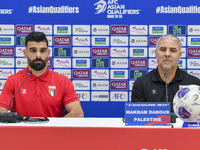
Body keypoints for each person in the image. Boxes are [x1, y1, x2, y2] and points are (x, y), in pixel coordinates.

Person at [0, 32, 84, 117]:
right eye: (33, 50)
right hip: (23, 130)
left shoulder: (63, 81)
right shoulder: (13, 81)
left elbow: (78, 114)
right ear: (25, 53)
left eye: (42, 50)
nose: (38, 55)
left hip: (52, 130)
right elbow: (1, 113)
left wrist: (54, 129)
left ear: (48, 53)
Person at [131, 34, 200, 112]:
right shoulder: (141, 84)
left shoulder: (194, 84)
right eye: (163, 49)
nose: (167, 54)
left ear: (179, 55)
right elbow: (138, 118)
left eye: (173, 50)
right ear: (156, 53)